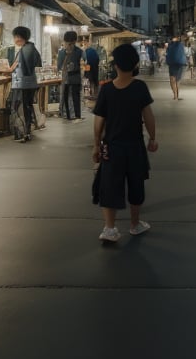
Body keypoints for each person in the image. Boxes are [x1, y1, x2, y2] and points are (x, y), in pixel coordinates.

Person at [92, 43, 158, 242]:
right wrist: (153, 138)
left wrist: (96, 145)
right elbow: (148, 116)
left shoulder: (106, 90)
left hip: (111, 147)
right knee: (136, 184)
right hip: (135, 146)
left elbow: (99, 121)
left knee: (109, 185)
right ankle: (134, 224)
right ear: (135, 64)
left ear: (115, 65)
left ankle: (110, 228)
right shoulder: (139, 87)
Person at [9, 26, 42, 142]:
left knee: (22, 108)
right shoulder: (29, 47)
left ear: (19, 37)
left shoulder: (26, 50)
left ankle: (24, 133)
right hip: (28, 83)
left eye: (15, 37)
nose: (14, 40)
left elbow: (26, 68)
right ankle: (26, 132)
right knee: (26, 107)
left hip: (24, 84)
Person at [56, 30, 84, 122]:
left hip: (69, 77)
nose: (70, 44)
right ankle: (75, 115)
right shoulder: (79, 51)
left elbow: (59, 66)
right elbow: (59, 66)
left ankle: (70, 115)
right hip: (74, 77)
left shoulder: (63, 52)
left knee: (68, 96)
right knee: (73, 96)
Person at [164, 34, 187, 100]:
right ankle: (176, 95)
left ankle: (175, 95)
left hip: (173, 63)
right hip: (179, 63)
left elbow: (166, 53)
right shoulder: (181, 44)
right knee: (177, 80)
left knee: (173, 80)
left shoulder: (170, 45)